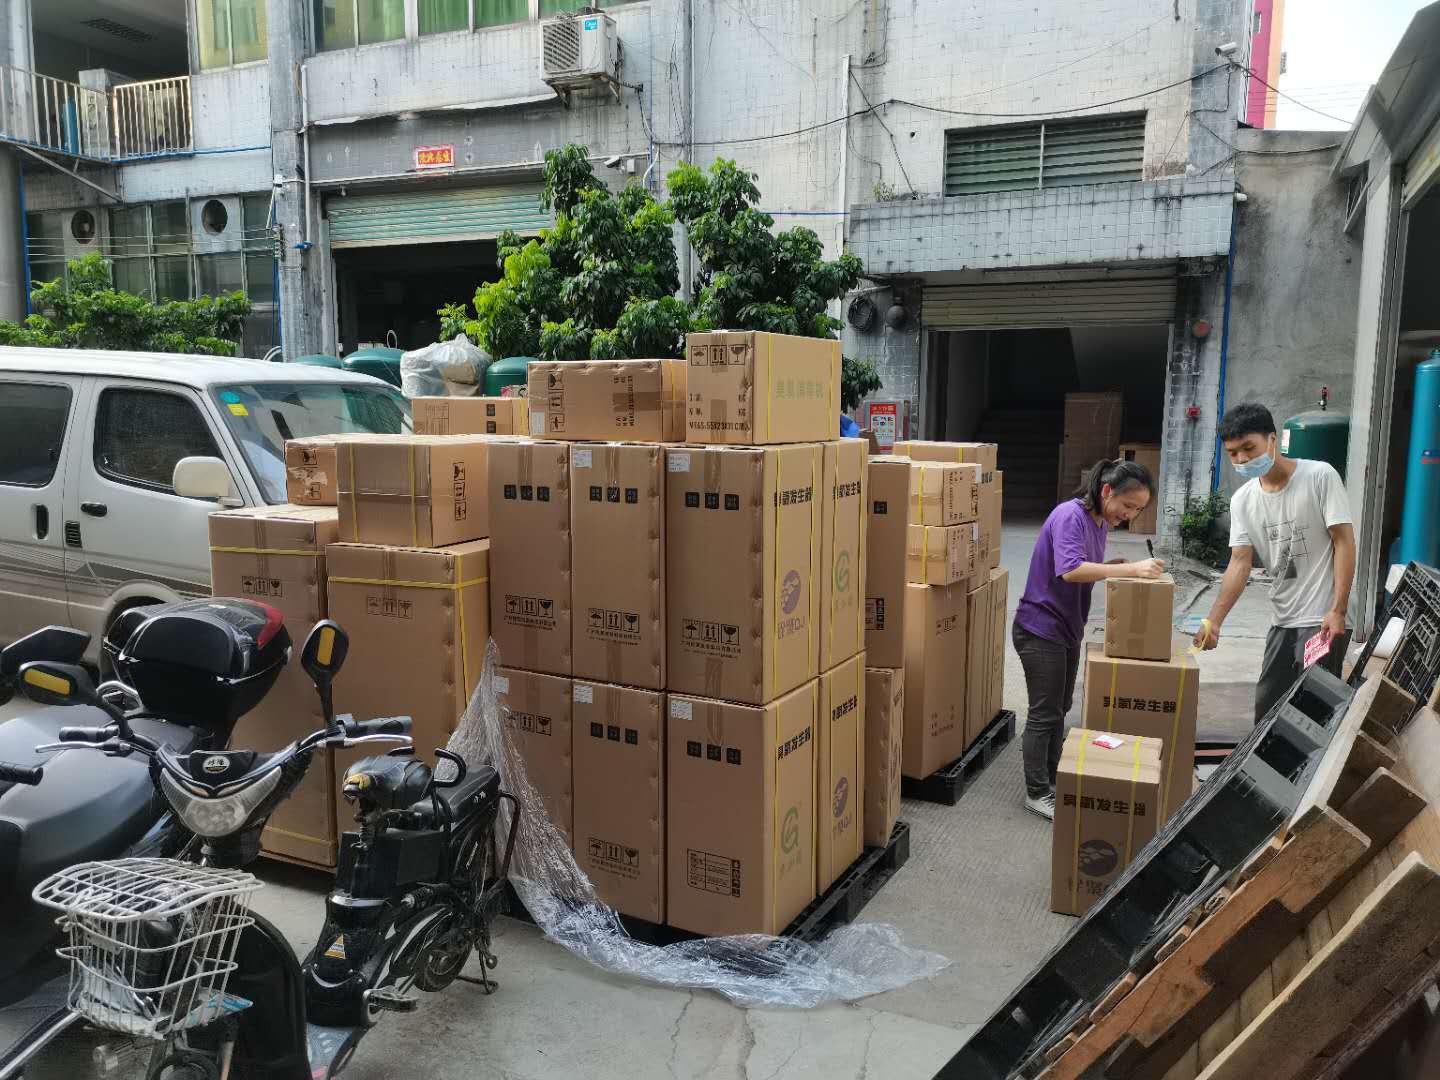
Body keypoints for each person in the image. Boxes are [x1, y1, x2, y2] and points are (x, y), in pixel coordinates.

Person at [1013, 459, 1163, 820]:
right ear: (1106, 491)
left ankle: (1052, 776)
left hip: (1066, 628)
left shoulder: (1099, 522)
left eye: (1138, 510)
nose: (1129, 515)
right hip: (1040, 629)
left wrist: (1115, 564)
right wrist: (1130, 569)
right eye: (1127, 505)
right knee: (1044, 713)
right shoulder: (1071, 515)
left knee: (1060, 708)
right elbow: (1071, 570)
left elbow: (1084, 563)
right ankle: (1036, 792)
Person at [1193, 402, 1355, 722]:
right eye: (1233, 453)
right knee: (1267, 711)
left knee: (1312, 715)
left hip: (1321, 618)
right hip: (1282, 619)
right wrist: (1214, 622)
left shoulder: (1319, 476)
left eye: (1248, 448)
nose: (1242, 459)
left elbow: (1344, 541)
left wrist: (1338, 610)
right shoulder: (1243, 500)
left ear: (1272, 439)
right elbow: (1239, 563)